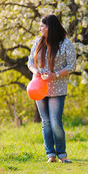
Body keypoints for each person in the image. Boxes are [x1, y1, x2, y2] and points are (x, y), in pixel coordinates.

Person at [28, 14, 76, 163]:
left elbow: (72, 66)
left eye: (42, 26)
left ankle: (62, 154)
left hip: (57, 88)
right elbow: (30, 63)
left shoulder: (66, 44)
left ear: (50, 27)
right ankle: (50, 155)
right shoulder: (38, 43)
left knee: (56, 122)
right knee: (46, 122)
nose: (39, 28)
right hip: (38, 87)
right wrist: (37, 72)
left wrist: (54, 75)